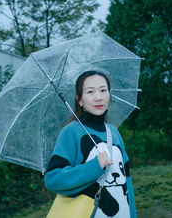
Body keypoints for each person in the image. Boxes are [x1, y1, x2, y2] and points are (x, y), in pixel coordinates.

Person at [45, 70, 137, 218]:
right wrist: (94, 167)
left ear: (109, 95)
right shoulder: (71, 133)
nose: (98, 97)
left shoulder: (114, 133)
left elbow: (127, 181)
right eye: (90, 92)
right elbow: (53, 179)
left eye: (103, 90)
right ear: (79, 100)